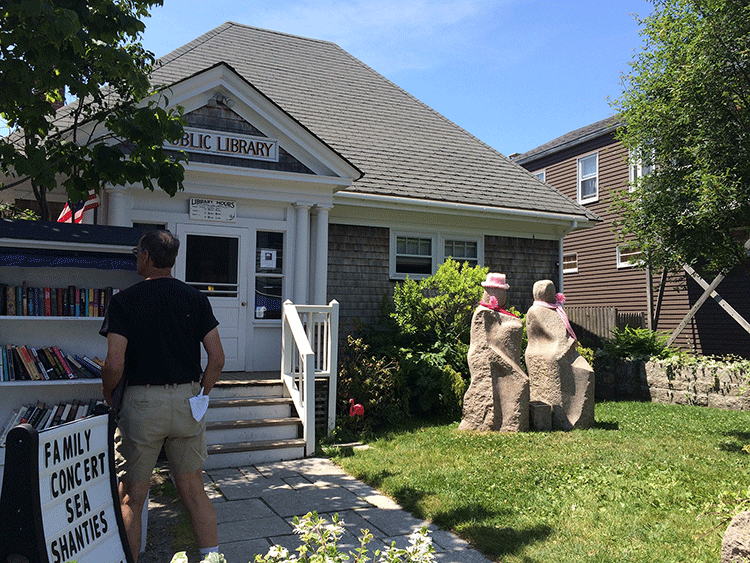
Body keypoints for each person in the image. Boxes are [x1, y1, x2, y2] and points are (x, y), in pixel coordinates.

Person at [100, 229, 225, 562]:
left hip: (142, 405)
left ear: (145, 256)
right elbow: (217, 358)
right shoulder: (196, 298)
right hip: (187, 402)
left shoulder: (124, 301)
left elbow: (114, 362)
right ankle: (212, 559)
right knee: (195, 492)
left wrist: (108, 394)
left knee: (132, 499)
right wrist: (202, 394)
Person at [459, 272, 529, 432]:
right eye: (501, 291)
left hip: (499, 358)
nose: (504, 295)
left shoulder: (496, 314)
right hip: (485, 359)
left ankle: (506, 422)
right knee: (517, 381)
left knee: (517, 382)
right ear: (494, 292)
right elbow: (484, 345)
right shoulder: (483, 313)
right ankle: (491, 421)